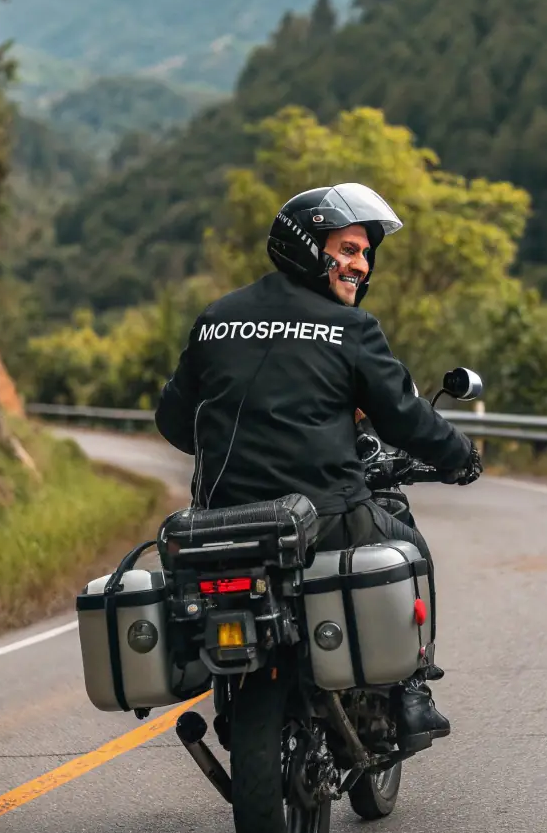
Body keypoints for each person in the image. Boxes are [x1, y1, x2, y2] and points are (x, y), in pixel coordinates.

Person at [155, 183, 482, 747]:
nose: (360, 265)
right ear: (308, 246)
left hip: (219, 523)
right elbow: (404, 418)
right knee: (410, 547)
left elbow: (173, 422)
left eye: (365, 255)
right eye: (349, 249)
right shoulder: (351, 331)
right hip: (327, 516)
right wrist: (461, 457)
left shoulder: (216, 318)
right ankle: (411, 692)